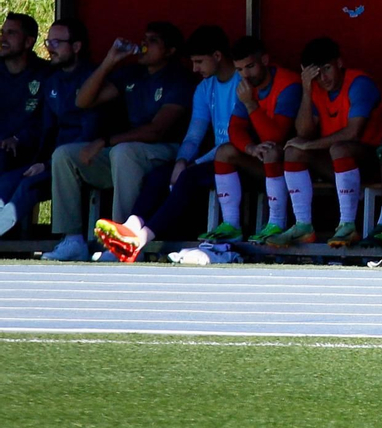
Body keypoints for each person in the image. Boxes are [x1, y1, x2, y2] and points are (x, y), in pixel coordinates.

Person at [44, 20, 194, 261]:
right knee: (64, 155)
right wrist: (110, 61)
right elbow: (83, 101)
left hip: (167, 153)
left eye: (153, 41)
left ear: (170, 51)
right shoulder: (132, 73)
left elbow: (157, 131)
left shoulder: (179, 79)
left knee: (122, 152)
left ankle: (122, 241)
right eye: (144, 38)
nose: (144, 43)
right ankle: (72, 239)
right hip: (126, 154)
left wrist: (105, 141)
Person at [94, 25, 241, 262]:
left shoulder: (241, 82)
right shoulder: (205, 87)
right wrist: (181, 161)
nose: (195, 68)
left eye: (199, 62)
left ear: (217, 56)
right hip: (214, 159)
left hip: (238, 159)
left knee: (187, 178)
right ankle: (130, 227)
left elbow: (237, 139)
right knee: (159, 176)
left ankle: (139, 242)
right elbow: (194, 135)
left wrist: (191, 165)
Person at [271, 36, 382, 248]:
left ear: (339, 63)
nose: (324, 78)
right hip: (337, 164)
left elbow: (353, 132)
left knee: (338, 148)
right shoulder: (316, 88)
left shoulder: (358, 83)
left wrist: (309, 145)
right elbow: (304, 131)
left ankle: (347, 225)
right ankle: (303, 226)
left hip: (373, 162)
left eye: (327, 68)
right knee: (293, 151)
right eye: (317, 73)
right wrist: (307, 89)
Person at [0, 18, 95, 239]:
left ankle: (70, 239)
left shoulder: (87, 78)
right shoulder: (54, 80)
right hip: (42, 160)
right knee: (6, 182)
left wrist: (45, 162)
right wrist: (41, 161)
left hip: (74, 159)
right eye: (48, 42)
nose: (49, 48)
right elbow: (47, 129)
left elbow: (90, 132)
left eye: (56, 42)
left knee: (27, 185)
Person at [210, 36, 303, 245]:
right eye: (240, 69)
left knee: (272, 149)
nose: (245, 74)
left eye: (250, 66)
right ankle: (231, 225)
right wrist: (250, 148)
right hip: (264, 159)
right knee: (224, 151)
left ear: (265, 60)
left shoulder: (288, 84)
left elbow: (277, 136)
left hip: (294, 163)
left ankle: (277, 223)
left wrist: (251, 105)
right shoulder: (247, 87)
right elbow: (235, 128)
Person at [0, 12, 49, 180]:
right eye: (2, 32)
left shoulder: (46, 74)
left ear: (29, 42)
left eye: (11, 33)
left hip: (29, 155)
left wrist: (18, 138)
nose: (3, 39)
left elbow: (47, 121)